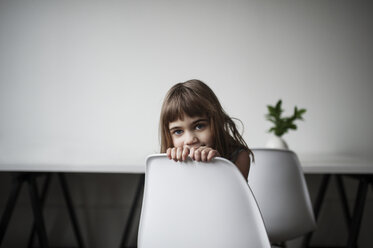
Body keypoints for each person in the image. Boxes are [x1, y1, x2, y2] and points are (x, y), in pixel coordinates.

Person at [159, 79, 253, 179]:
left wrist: (218, 164)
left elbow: (232, 194)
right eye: (178, 131)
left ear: (217, 121)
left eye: (199, 126)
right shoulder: (166, 162)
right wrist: (170, 166)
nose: (190, 140)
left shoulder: (239, 157)